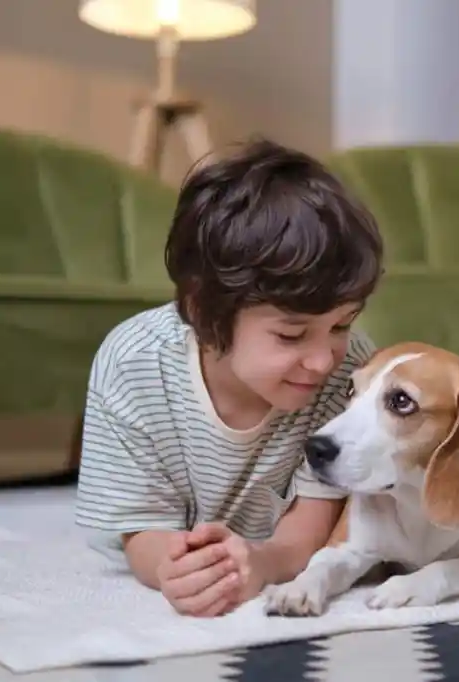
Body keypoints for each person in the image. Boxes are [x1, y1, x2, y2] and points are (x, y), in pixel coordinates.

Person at [74, 138, 384, 618]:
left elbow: (312, 524)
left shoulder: (352, 372)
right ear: (203, 313)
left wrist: (262, 562)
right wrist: (171, 568)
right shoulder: (133, 363)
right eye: (291, 334)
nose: (324, 360)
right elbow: (140, 529)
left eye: (342, 325)